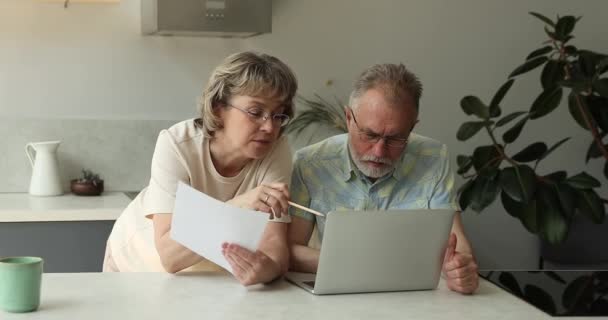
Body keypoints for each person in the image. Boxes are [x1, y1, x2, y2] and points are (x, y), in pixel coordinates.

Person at [104, 51, 298, 286]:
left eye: (278, 115)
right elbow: (170, 257)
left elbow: (275, 247)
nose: (269, 127)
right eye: (256, 112)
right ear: (218, 108)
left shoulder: (276, 150)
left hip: (200, 275)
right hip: (135, 264)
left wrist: (266, 270)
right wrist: (237, 207)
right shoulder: (176, 144)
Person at [287, 63, 479, 294]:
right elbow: (290, 249)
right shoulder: (310, 164)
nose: (379, 152)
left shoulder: (433, 158)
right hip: (338, 296)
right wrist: (360, 267)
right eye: (369, 134)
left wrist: (461, 269)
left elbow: (458, 245)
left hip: (413, 298)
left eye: (396, 138)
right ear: (348, 118)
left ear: (411, 128)